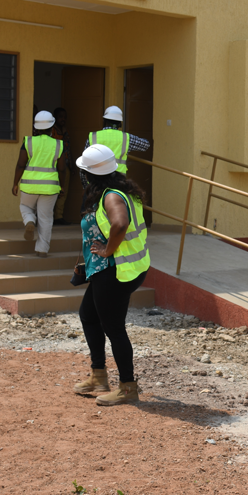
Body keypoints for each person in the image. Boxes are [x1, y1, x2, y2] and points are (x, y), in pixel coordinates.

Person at [70, 144, 151, 406]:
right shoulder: (118, 191)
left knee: (113, 328)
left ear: (90, 174)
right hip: (116, 268)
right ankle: (98, 376)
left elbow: (120, 223)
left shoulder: (111, 197)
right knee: (88, 315)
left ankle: (127, 387)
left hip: (115, 270)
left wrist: (107, 251)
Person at [11, 110, 61, 258]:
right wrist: (62, 186)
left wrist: (15, 183)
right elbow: (62, 169)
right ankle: (42, 250)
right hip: (50, 187)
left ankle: (30, 221)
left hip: (29, 186)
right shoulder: (58, 144)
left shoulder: (28, 142)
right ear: (52, 127)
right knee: (46, 218)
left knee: (25, 207)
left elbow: (20, 165)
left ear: (36, 128)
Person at [87, 106, 152, 175]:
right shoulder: (126, 138)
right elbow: (146, 145)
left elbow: (84, 162)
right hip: (118, 179)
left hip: (98, 179)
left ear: (104, 121)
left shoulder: (93, 136)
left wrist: (86, 181)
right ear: (120, 124)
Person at [51, 108, 76, 225]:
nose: (63, 119)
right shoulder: (51, 131)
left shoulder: (66, 131)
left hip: (65, 165)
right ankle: (49, 216)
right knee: (52, 191)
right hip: (53, 165)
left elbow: (68, 149)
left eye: (65, 117)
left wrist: (72, 165)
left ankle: (58, 216)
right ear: (55, 117)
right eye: (60, 116)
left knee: (63, 191)